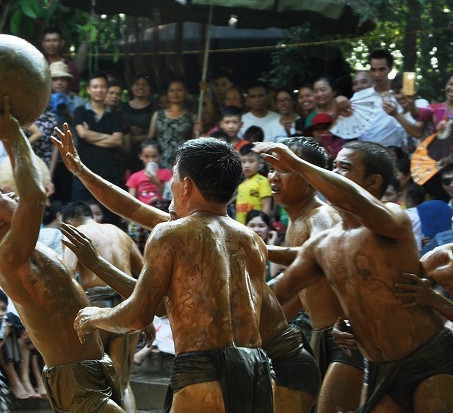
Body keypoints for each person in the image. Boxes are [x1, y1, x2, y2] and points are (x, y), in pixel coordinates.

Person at [53, 126, 316, 413]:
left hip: (210, 372)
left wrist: (94, 316)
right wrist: (80, 170)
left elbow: (139, 315)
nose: (172, 186)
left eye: (174, 178)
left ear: (187, 185)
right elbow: (134, 210)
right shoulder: (252, 239)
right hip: (257, 372)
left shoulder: (172, 233)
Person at [0, 94, 123, 411]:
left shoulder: (26, 246)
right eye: (0, 195)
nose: (9, 192)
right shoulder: (9, 258)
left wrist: (8, 139)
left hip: (93, 366)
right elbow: (34, 195)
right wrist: (12, 132)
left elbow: (28, 187)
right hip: (74, 376)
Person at [256, 140, 453, 412]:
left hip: (428, 356)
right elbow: (280, 293)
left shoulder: (393, 216)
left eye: (344, 168)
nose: (334, 174)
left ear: (373, 181)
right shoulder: (323, 244)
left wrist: (298, 165)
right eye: (334, 167)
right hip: (378, 364)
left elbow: (351, 199)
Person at [264, 137, 361, 413]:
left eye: (284, 170)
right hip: (319, 335)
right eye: (270, 169)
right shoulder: (296, 221)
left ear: (309, 177)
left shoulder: (321, 215)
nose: (274, 177)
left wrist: (260, 248)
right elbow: (304, 291)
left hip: (346, 335)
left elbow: (319, 256)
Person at [62, 200, 144, 412]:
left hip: (96, 308)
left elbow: (67, 276)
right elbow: (145, 273)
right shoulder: (120, 233)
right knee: (122, 382)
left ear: (70, 223)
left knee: (90, 382)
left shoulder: (75, 233)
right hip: (129, 306)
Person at [72, 73, 123, 209]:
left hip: (108, 172)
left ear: (107, 89)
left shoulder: (115, 115)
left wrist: (89, 135)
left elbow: (118, 140)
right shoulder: (80, 111)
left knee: (110, 212)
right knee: (81, 212)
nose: (99, 90)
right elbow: (82, 133)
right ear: (89, 89)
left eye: (102, 86)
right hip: (84, 171)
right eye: (95, 87)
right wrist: (108, 137)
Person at [148, 80, 196, 169]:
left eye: (179, 90)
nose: (175, 93)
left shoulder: (191, 116)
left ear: (186, 93)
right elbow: (150, 139)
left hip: (182, 161)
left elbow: (194, 140)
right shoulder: (158, 115)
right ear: (167, 93)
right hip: (160, 162)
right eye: (172, 90)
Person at [119, 74, 157, 174]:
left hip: (148, 153)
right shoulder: (122, 108)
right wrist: (128, 130)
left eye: (144, 84)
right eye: (137, 84)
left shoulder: (155, 109)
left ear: (149, 88)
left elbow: (156, 133)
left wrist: (136, 138)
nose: (141, 87)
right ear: (131, 87)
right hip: (126, 151)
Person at [235, 144, 272, 224]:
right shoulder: (241, 184)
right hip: (241, 226)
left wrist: (263, 225)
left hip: (256, 226)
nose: (246, 165)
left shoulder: (262, 181)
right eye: (243, 161)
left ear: (260, 163)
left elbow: (266, 206)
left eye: (251, 161)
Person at [41, 27, 81, 93]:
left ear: (62, 43)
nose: (51, 44)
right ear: (43, 44)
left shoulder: (70, 68)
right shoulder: (38, 65)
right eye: (48, 41)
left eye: (55, 40)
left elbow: (74, 93)